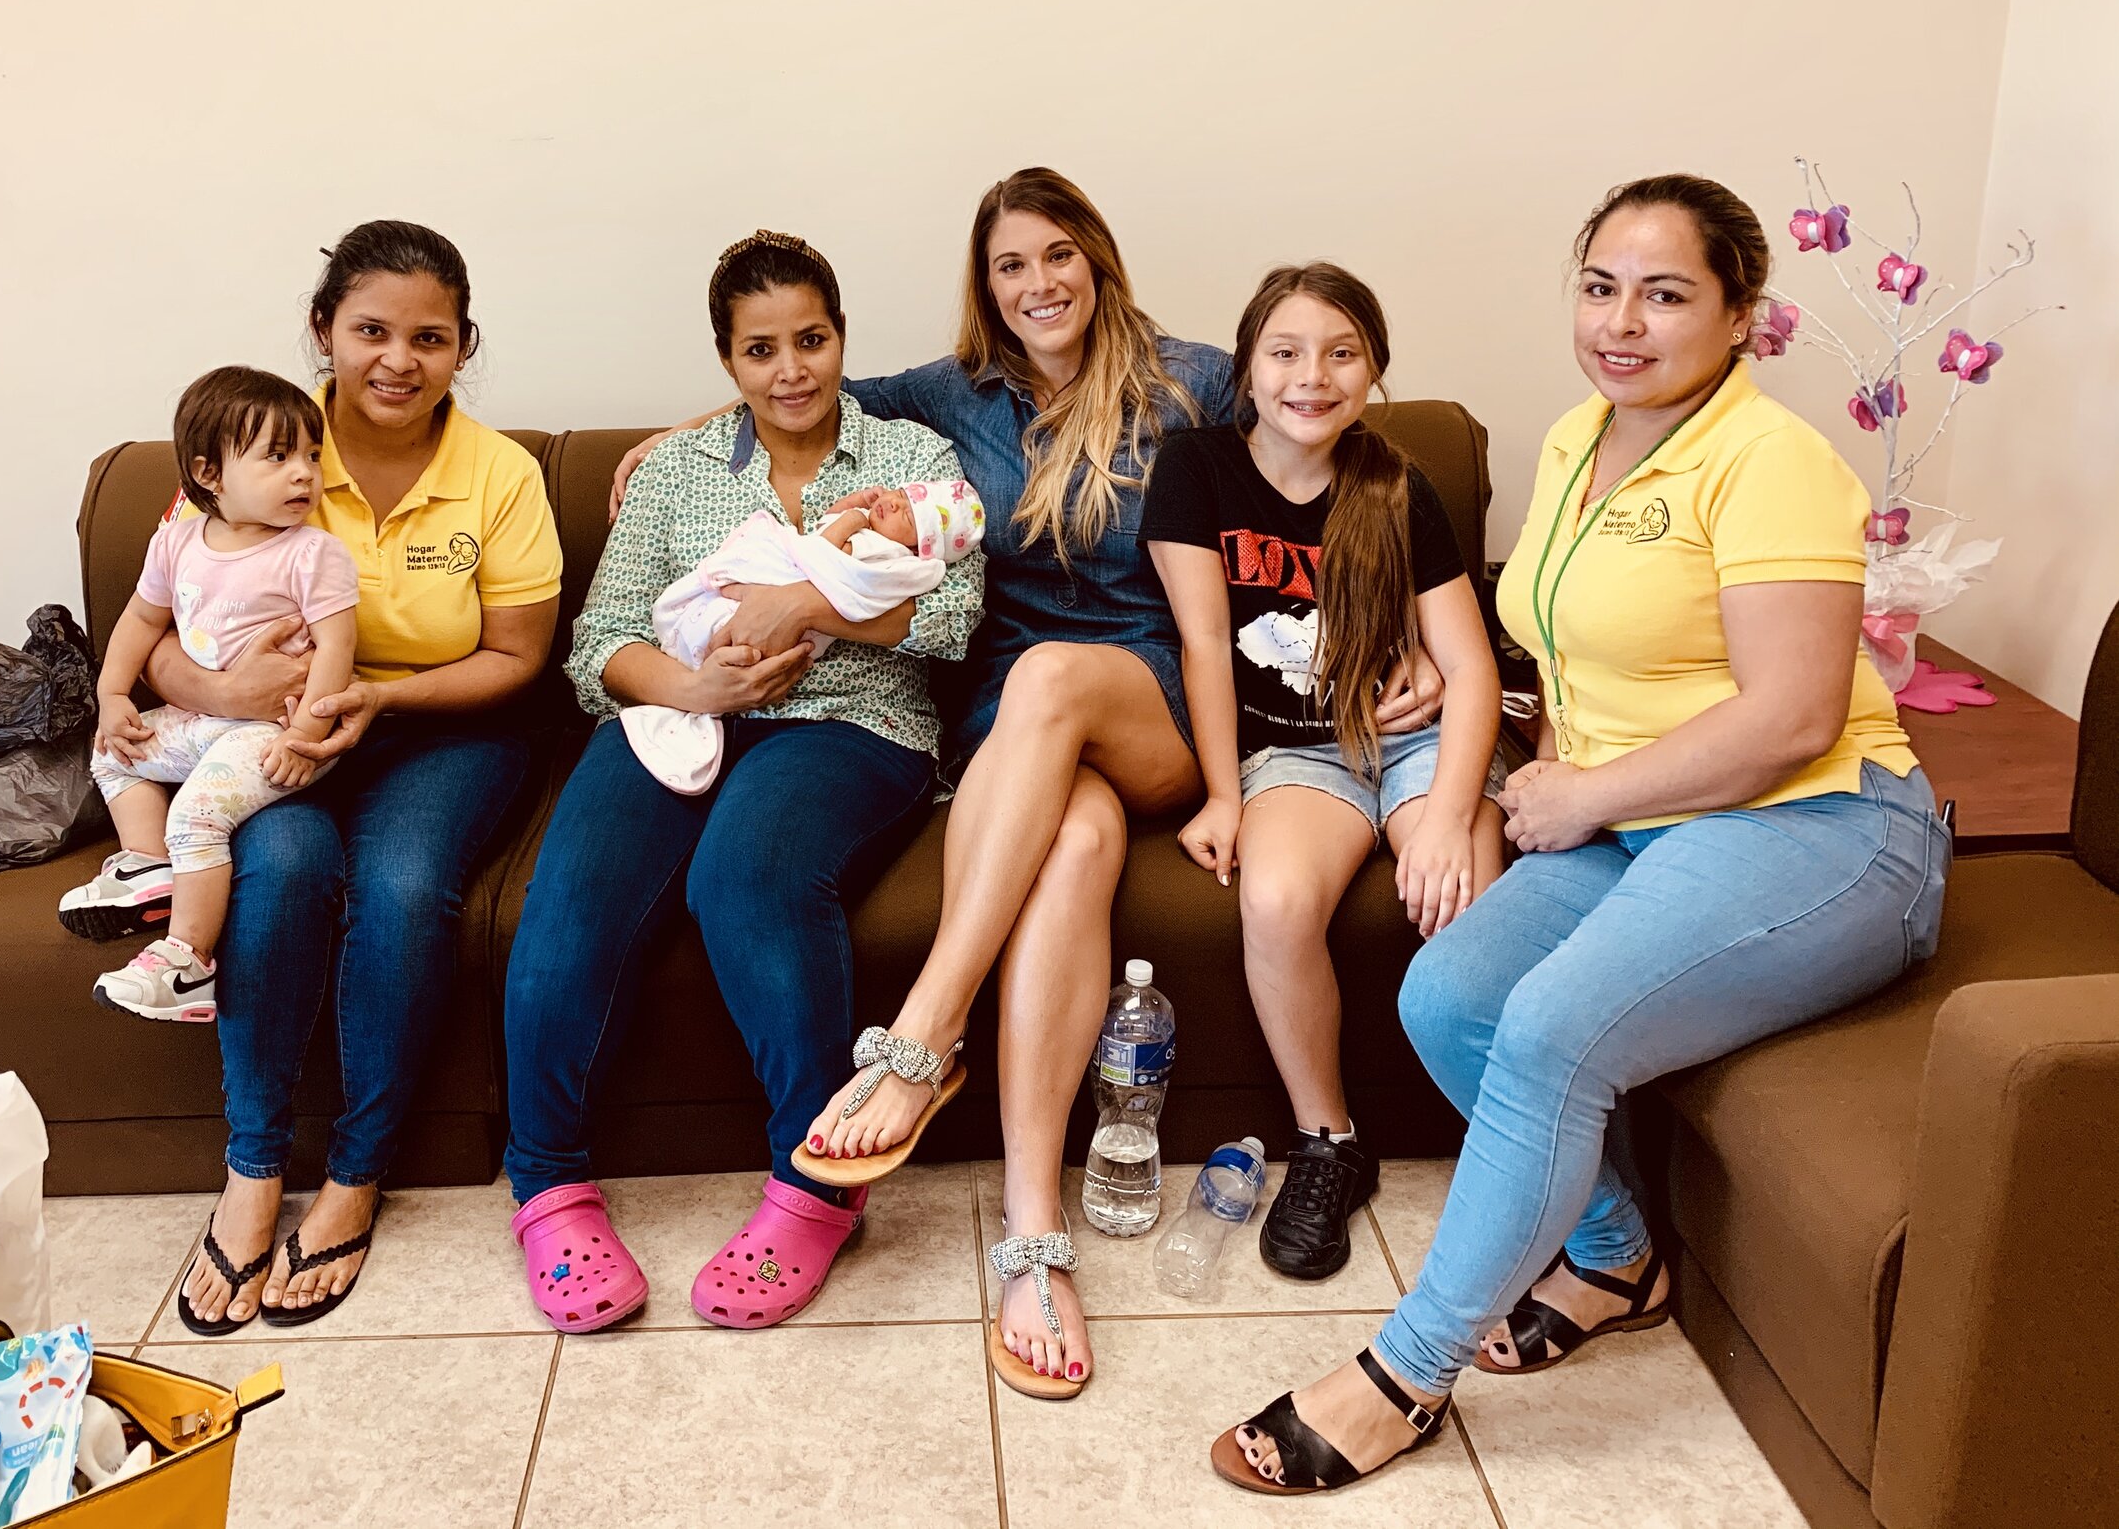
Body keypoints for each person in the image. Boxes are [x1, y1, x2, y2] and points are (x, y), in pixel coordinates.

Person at [612, 170, 1444, 1397]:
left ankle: (921, 1033)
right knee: (1069, 847)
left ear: (1096, 259)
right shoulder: (951, 393)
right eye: (1010, 267)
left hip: (1151, 696)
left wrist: (1406, 632)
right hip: (1014, 726)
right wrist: (683, 437)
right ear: (985, 285)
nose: (1037, 285)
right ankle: (1033, 1242)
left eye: (1057, 256)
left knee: (1058, 671)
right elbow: (805, 393)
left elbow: (1328, 455)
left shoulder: (1196, 379)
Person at [1212, 174, 1948, 1497]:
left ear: (1741, 313)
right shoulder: (1577, 439)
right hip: (1648, 813)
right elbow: (1564, 630)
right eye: (1602, 285)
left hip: (1820, 821)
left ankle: (1400, 1375)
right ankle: (1614, 1255)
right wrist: (1460, 681)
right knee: (1444, 991)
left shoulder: (1770, 458)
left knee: (1549, 1027)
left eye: (1667, 293)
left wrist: (1581, 794)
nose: (1624, 320)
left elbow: (1791, 714)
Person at [503, 229, 982, 1333]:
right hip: (680, 713)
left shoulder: (910, 458)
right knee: (569, 899)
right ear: (728, 360)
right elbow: (599, 646)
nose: (791, 370)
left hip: (851, 723)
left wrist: (811, 608)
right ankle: (548, 1183)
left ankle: (815, 1184)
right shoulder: (675, 471)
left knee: (745, 876)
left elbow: (954, 617)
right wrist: (697, 687)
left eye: (811, 340)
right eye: (760, 349)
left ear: (840, 338)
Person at [144, 221, 563, 1337]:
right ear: (323, 329)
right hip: (269, 737)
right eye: (370, 330)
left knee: (404, 885)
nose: (397, 359)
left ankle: (357, 1174)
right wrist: (229, 694)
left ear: (464, 346)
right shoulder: (260, 441)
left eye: (430, 337)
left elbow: (516, 660)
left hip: (446, 730)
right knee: (276, 872)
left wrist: (374, 697)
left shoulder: (499, 474)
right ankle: (251, 1173)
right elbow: (160, 623)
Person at [1142, 264, 1506, 1282]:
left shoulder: (1396, 486)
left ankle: (1519, 1147)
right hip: (1297, 755)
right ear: (1247, 370)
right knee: (1275, 899)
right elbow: (1204, 646)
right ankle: (1329, 1145)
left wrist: (1442, 814)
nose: (1312, 376)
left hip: (1413, 742)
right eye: (1286, 353)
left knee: (1461, 902)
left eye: (1341, 353)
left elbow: (1469, 669)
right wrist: (1223, 792)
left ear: (1373, 370)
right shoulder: (1197, 471)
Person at [67, 367, 361, 1022]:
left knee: (196, 814)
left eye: (313, 456)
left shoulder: (313, 554)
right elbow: (142, 620)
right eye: (278, 457)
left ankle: (189, 961)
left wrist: (306, 735)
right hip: (201, 716)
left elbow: (337, 649)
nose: (304, 474)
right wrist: (112, 694)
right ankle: (147, 868)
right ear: (209, 472)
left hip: (276, 729)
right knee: (113, 751)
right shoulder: (175, 542)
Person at [621, 475, 983, 793]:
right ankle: (701, 665)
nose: (892, 503)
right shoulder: (673, 463)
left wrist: (851, 524)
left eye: (907, 515)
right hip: (698, 692)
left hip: (839, 723)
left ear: (919, 547)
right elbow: (607, 632)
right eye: (901, 495)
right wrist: (697, 692)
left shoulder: (883, 552)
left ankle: (702, 643)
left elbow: (825, 552)